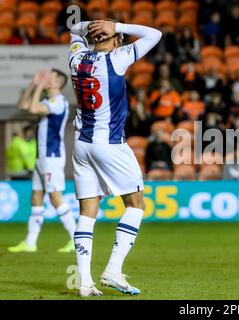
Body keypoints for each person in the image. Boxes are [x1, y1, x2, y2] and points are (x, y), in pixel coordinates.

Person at [69, 20, 161, 296]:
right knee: (136, 204)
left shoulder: (75, 57)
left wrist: (90, 26)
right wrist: (116, 24)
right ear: (117, 39)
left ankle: (85, 283)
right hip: (108, 143)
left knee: (87, 212)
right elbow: (155, 34)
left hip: (81, 144)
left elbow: (74, 30)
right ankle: (113, 270)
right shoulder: (117, 58)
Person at [8, 69, 76, 254]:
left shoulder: (59, 102)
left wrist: (39, 85)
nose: (47, 79)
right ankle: (30, 242)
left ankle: (76, 240)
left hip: (52, 157)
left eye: (50, 78)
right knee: (36, 197)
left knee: (55, 198)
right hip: (42, 157)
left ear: (57, 83)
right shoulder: (47, 101)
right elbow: (23, 104)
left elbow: (33, 109)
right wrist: (33, 84)